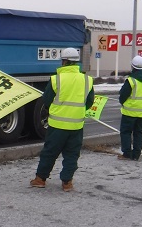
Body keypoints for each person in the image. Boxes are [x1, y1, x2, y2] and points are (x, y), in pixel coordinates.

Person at [29, 47, 94, 192]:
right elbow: (89, 102)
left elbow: (46, 100)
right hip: (76, 126)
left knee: (49, 153)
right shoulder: (87, 80)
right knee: (72, 155)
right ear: (76, 62)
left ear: (64, 61)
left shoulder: (56, 79)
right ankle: (67, 183)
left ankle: (40, 179)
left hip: (57, 125)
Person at [118, 55, 142, 160]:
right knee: (138, 133)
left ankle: (127, 154)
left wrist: (122, 102)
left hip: (129, 113)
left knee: (126, 132)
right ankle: (136, 154)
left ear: (133, 67)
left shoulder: (131, 81)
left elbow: (123, 95)